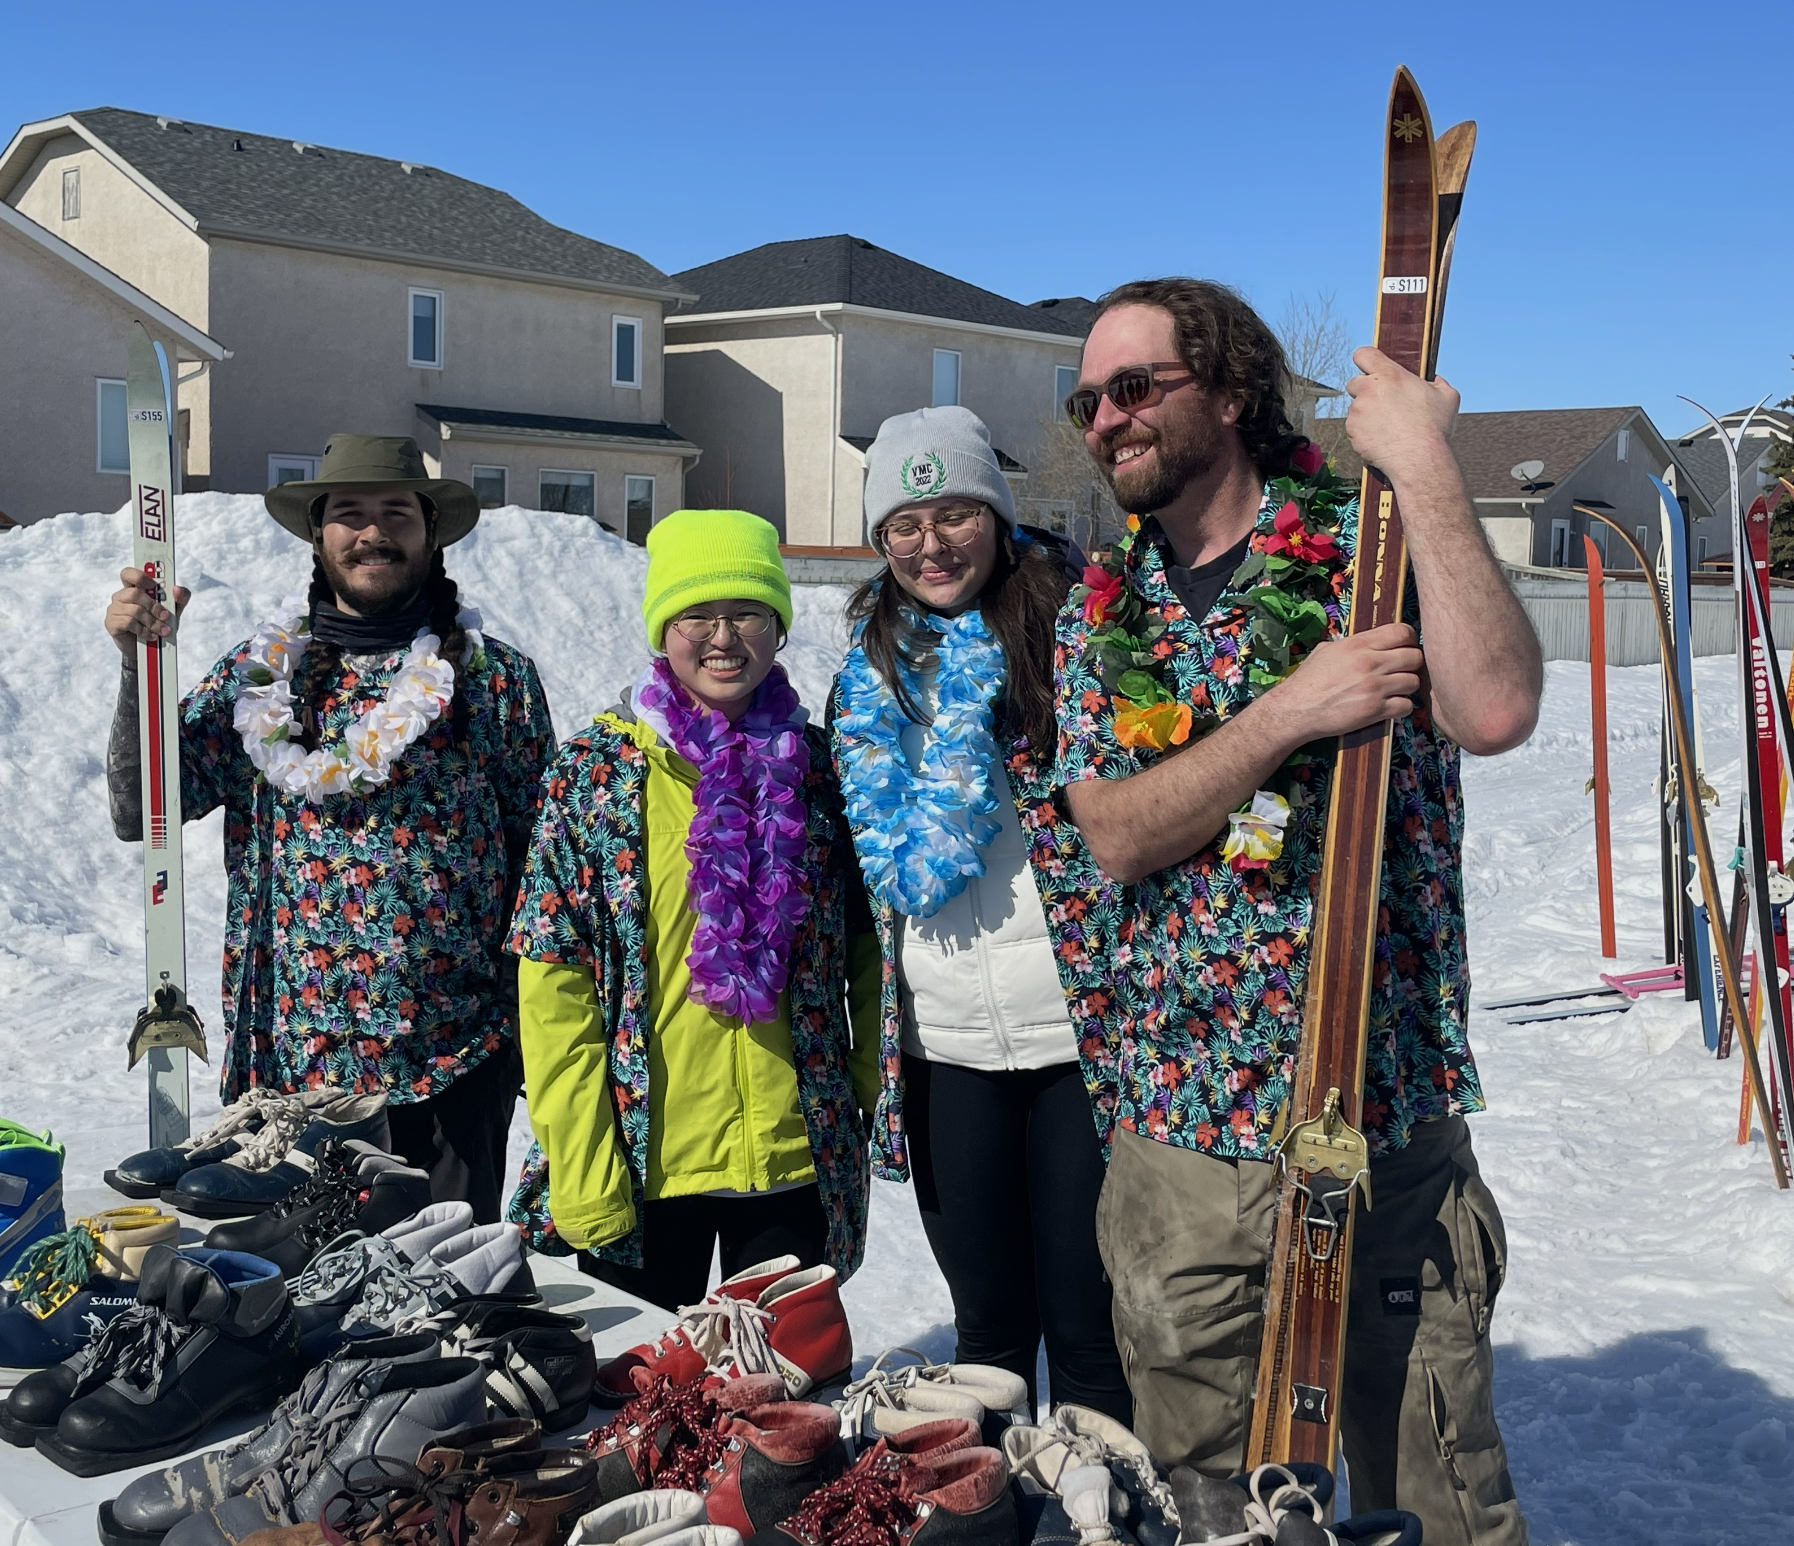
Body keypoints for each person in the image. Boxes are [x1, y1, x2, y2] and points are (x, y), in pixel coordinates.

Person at [1054, 280, 1540, 1545]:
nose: (1107, 418)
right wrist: (1291, 711)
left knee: (1427, 1485)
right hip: (1182, 1133)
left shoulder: (1371, 543)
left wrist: (1425, 463)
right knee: (1211, 1504)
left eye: (1136, 386)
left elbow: (1493, 708)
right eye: (1088, 400)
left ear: (1227, 390)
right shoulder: (1105, 611)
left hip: (1378, 1112)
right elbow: (1113, 831)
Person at [105, 434, 554, 1221]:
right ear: (319, 534)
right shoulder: (258, 679)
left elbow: (541, 869)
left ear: (431, 530)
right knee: (295, 1320)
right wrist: (138, 666)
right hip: (287, 1084)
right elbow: (141, 809)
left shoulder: (494, 681)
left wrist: (528, 1043)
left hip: (450, 1066)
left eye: (395, 513)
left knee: (437, 1319)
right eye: (348, 513)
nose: (371, 532)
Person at [828, 405, 1131, 1424]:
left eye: (955, 511)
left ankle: (1096, 1521)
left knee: (1093, 1331)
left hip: (1076, 1044)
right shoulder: (864, 680)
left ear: (999, 519)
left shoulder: (1075, 640)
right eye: (904, 523)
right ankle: (987, 1514)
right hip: (945, 1050)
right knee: (988, 1333)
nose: (931, 542)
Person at [505, 508, 874, 1316]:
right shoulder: (597, 773)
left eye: (746, 611)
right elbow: (553, 984)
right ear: (660, 629)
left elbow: (863, 945)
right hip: (642, 1168)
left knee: (782, 1413)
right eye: (695, 615)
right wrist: (584, 1170)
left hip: (790, 1165)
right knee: (635, 1421)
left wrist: (863, 1086)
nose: (722, 637)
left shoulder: (816, 769)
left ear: (777, 625)